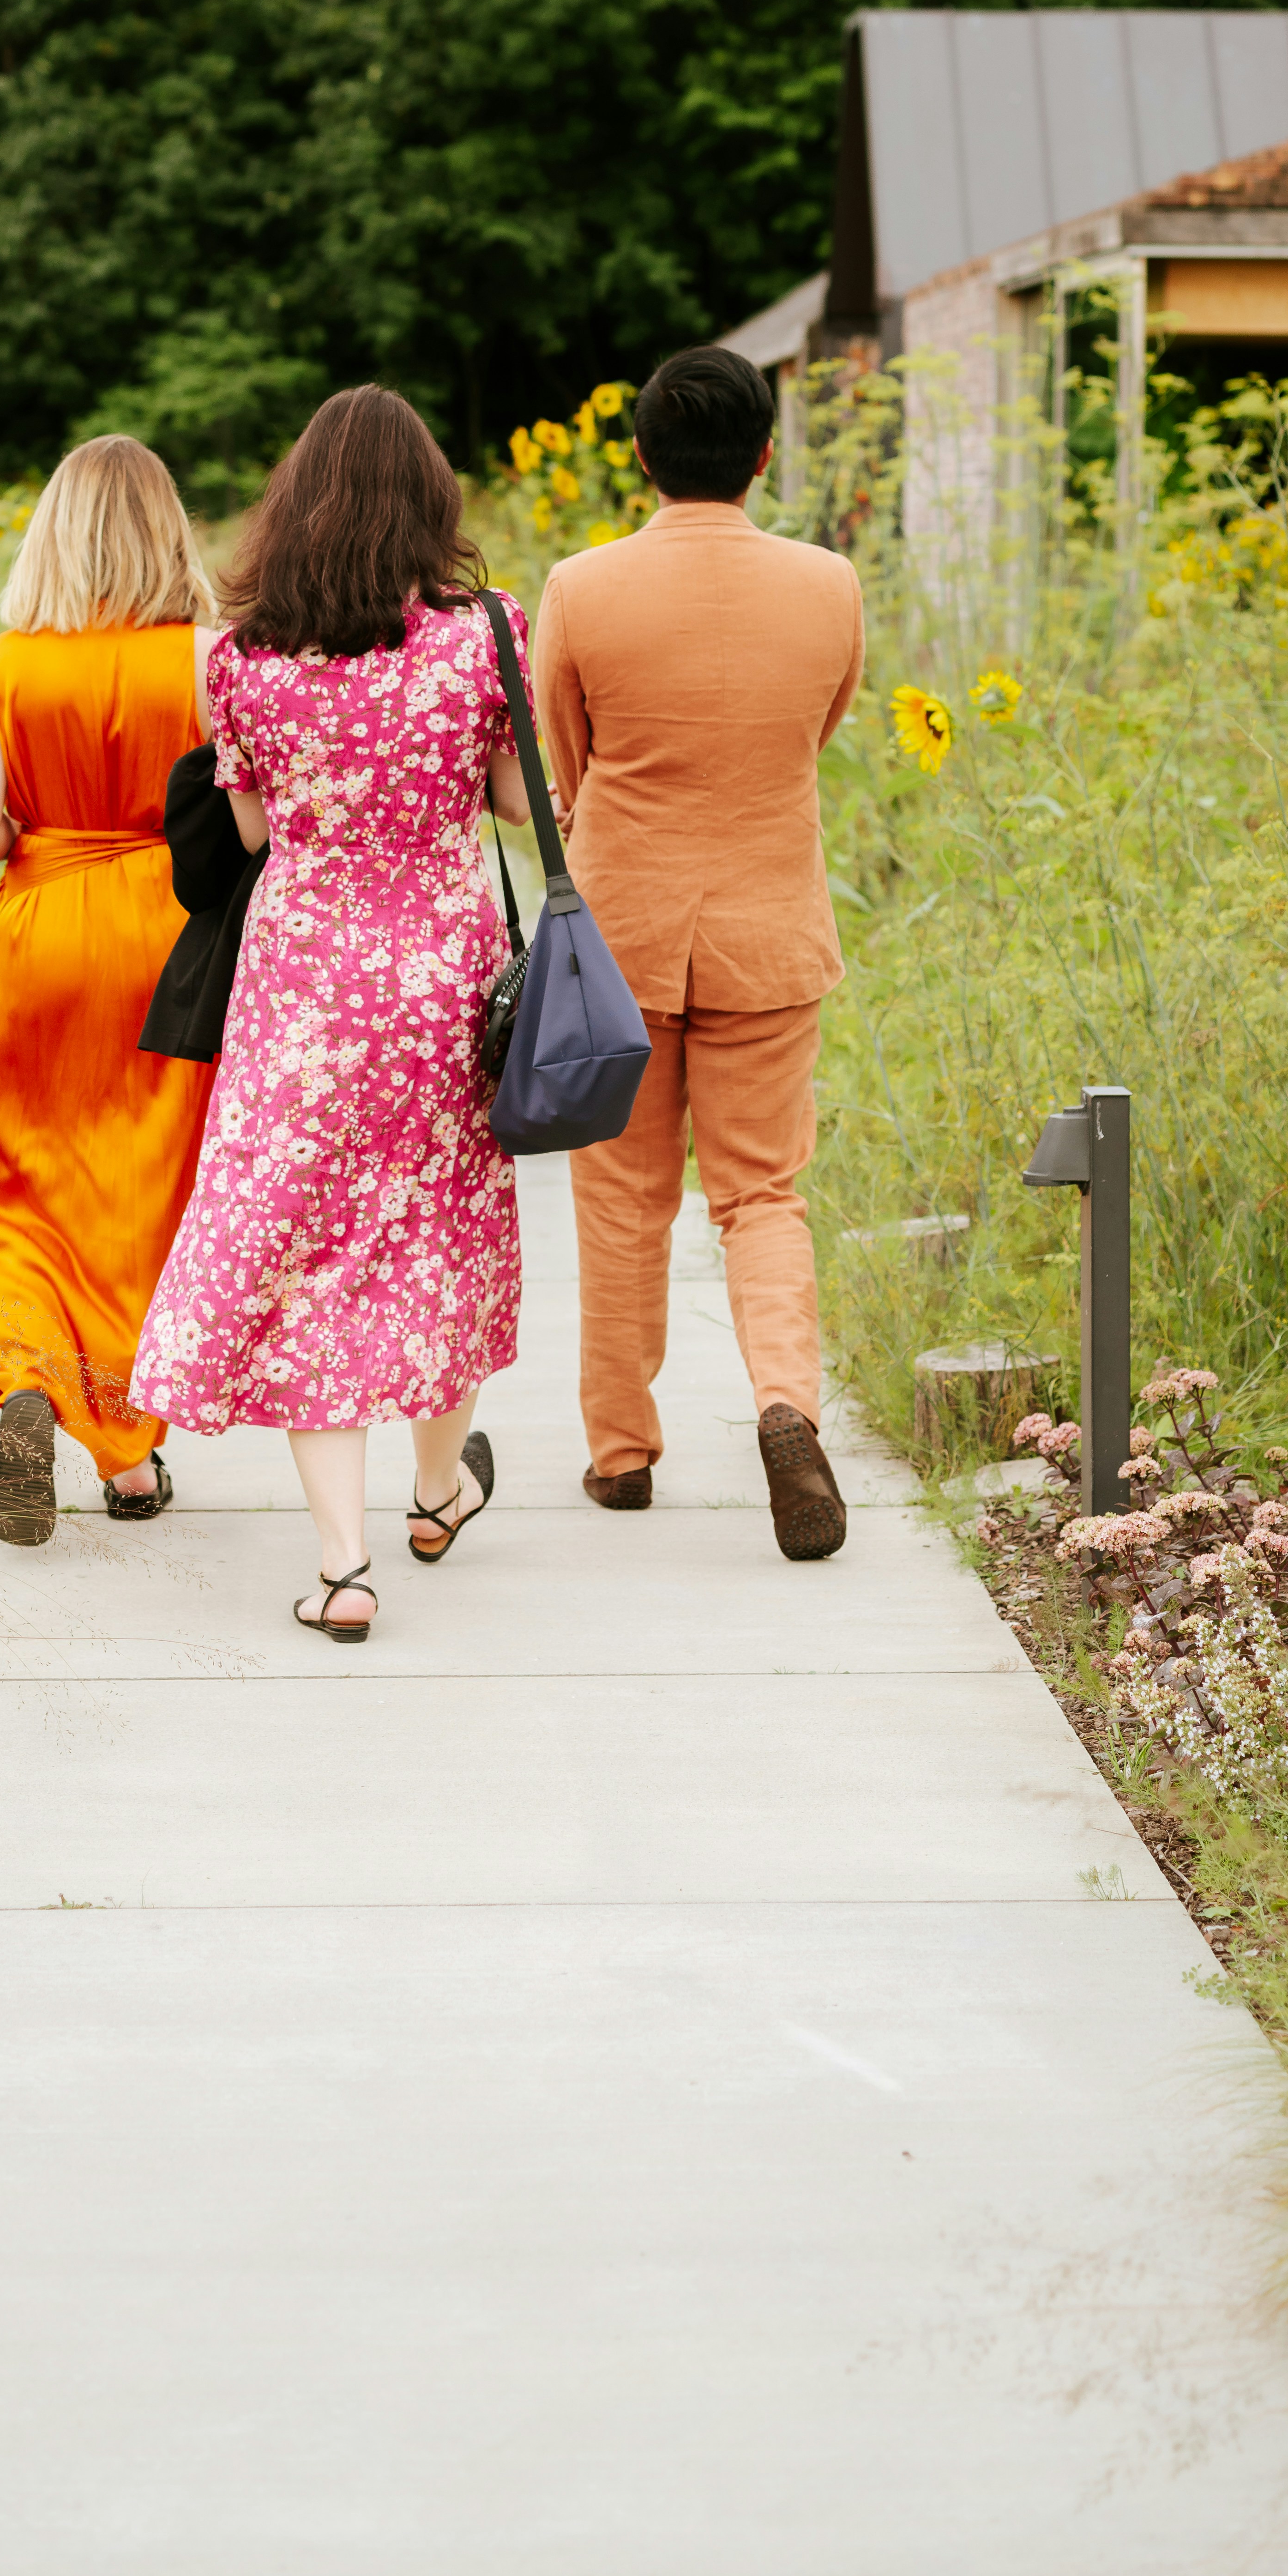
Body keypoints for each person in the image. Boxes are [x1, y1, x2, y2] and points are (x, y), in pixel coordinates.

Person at [130, 387, 532, 1642]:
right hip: (442, 988)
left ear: (295, 507)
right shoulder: (488, 635)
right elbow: (519, 804)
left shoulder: (240, 657)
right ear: (433, 502)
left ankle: (345, 1567)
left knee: (311, 1260)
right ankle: (436, 1492)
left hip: (303, 986)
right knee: (435, 1236)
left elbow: (248, 830)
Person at [529, 344, 865, 1557]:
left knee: (622, 1197)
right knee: (763, 1193)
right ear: (767, 453)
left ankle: (621, 1453)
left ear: (640, 458)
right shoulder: (831, 585)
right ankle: (785, 1410)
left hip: (617, 939)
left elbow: (564, 758)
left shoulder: (581, 585)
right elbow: (816, 731)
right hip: (770, 932)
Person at [0, 435, 221, 1546]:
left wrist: (45, 833)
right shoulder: (211, 657)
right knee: (145, 1195)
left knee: (20, 1185)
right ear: (170, 532)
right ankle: (129, 1455)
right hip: (168, 939)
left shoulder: (3, 663)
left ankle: (27, 1380)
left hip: (42, 935)